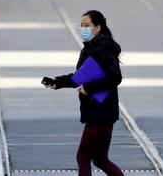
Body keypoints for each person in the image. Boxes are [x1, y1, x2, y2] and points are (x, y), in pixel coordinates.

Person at [44, 10, 124, 176]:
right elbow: (80, 76)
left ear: (98, 27)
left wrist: (89, 87)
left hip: (101, 111)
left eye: (87, 25)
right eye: (81, 25)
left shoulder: (103, 49)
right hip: (98, 110)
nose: (83, 28)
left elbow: (115, 77)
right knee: (100, 159)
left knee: (83, 157)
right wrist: (57, 81)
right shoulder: (88, 49)